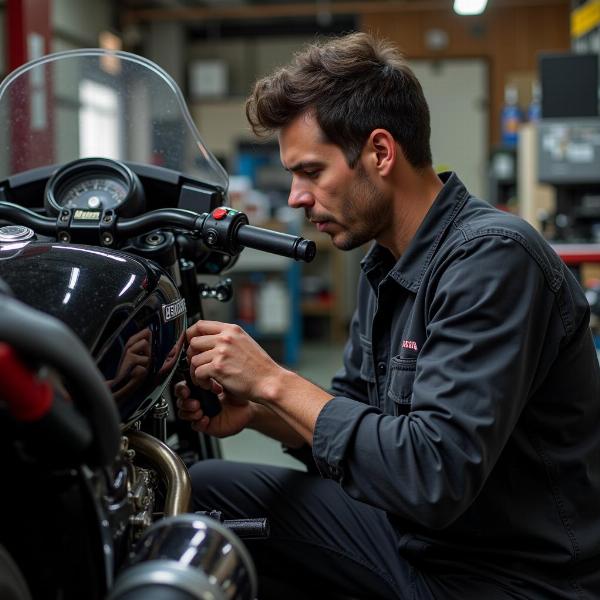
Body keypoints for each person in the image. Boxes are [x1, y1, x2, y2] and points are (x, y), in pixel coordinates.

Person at [175, 32, 600, 599]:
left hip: (506, 576)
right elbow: (362, 430)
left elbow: (432, 476)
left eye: (311, 172)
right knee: (204, 493)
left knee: (213, 501)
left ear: (380, 151)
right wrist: (258, 414)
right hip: (420, 539)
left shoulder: (493, 258)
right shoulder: (386, 265)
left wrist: (275, 384)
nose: (297, 197)